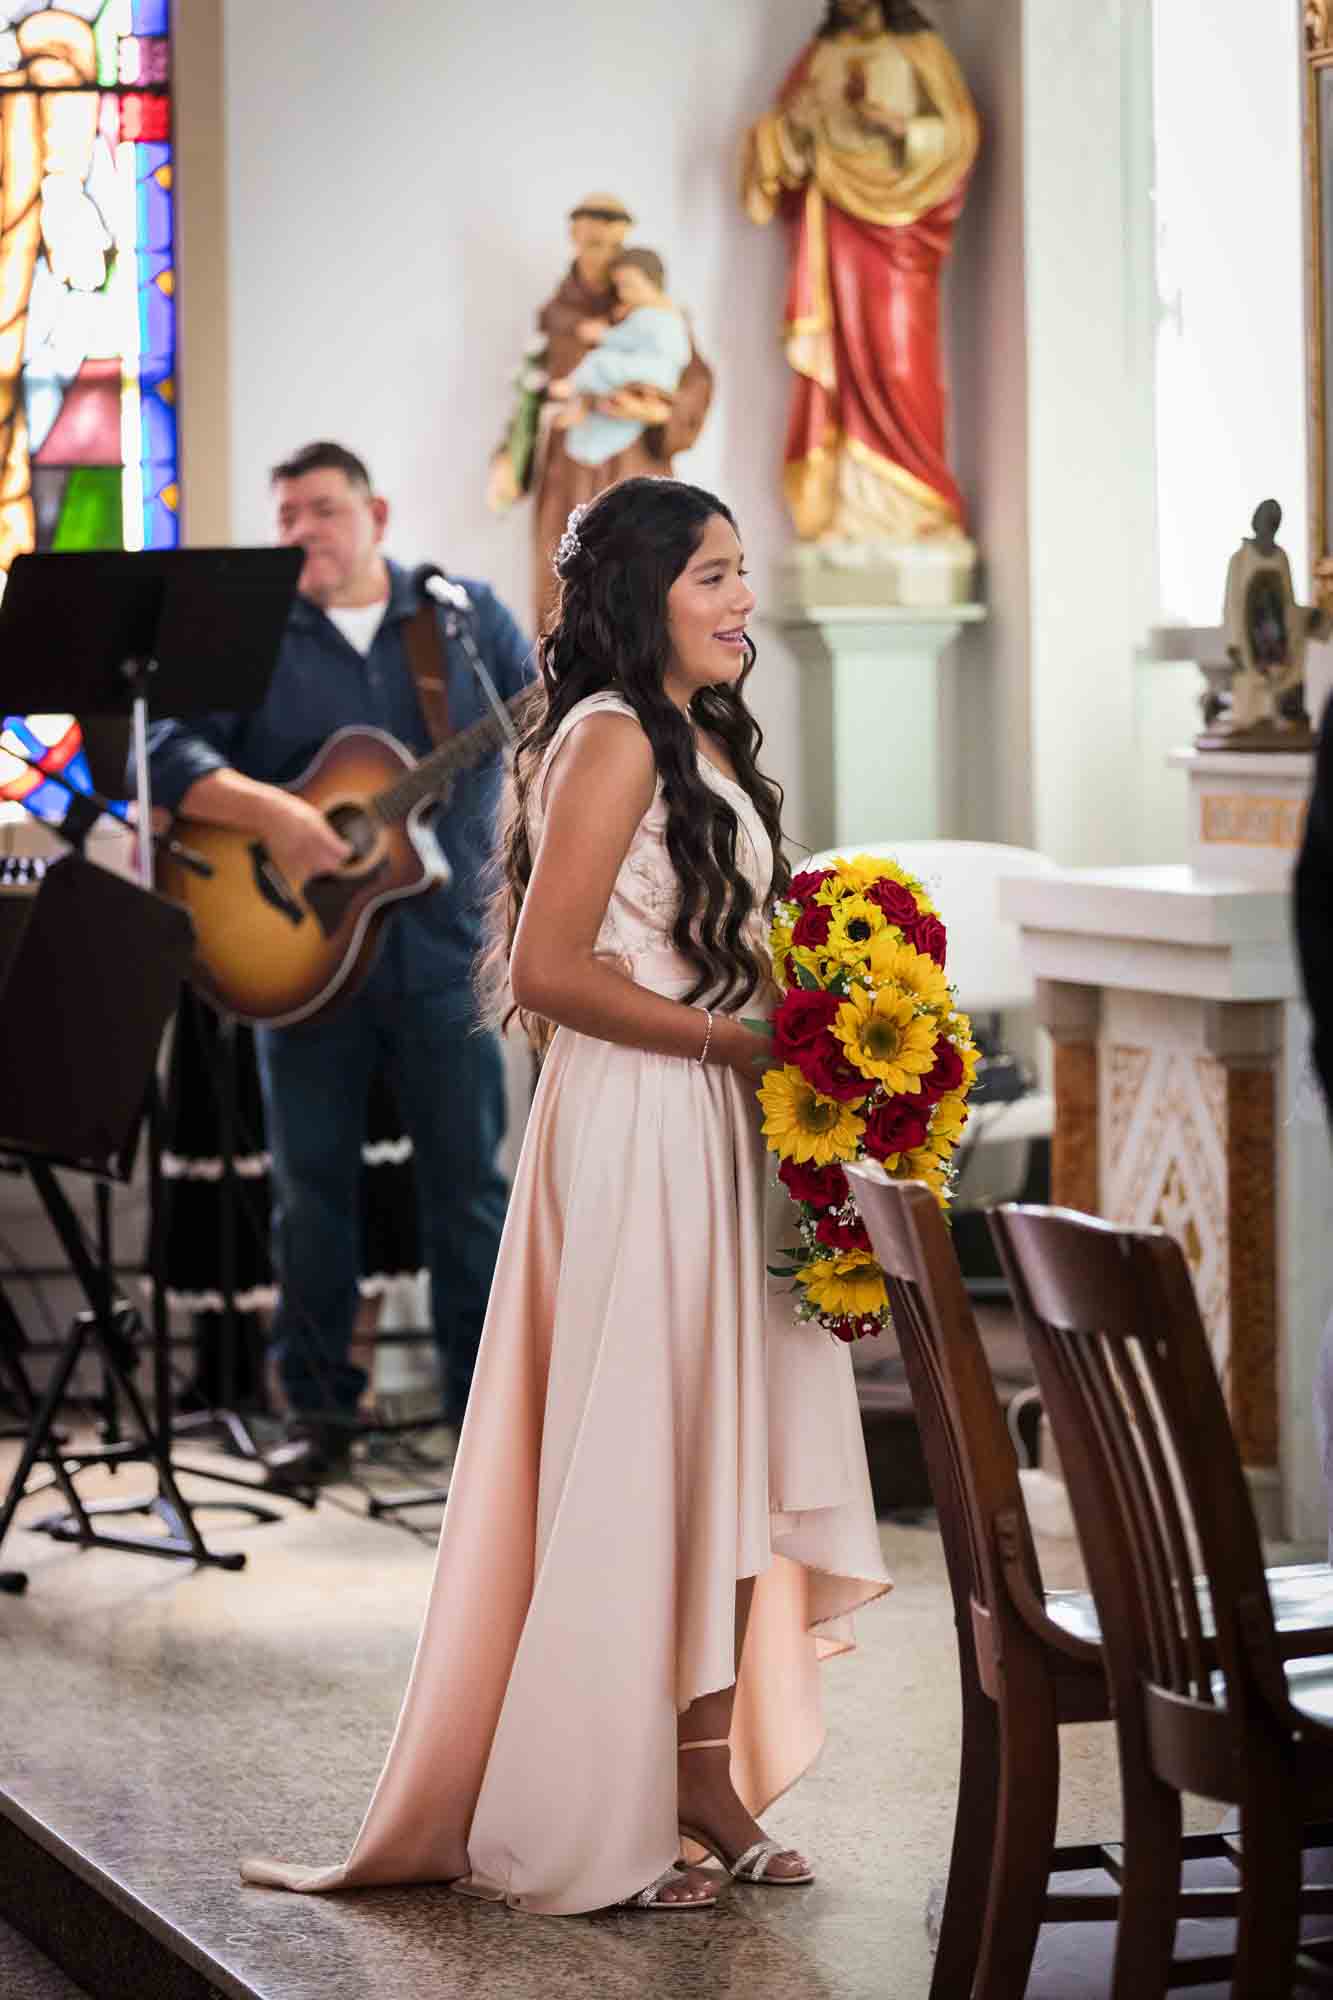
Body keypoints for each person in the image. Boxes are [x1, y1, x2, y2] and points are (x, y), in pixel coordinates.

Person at [239, 476, 890, 1915]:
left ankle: (704, 1771)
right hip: (645, 1127)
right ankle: (597, 1796)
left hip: (724, 1125)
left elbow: (723, 943)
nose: (742, 601)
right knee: (638, 1453)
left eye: (740, 573)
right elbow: (549, 975)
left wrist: (833, 1022)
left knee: (721, 1443)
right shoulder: (603, 737)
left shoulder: (698, 732)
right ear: (641, 594)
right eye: (714, 576)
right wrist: (742, 1042)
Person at [144, 441, 532, 1488]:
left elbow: (555, 726)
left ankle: (484, 1428)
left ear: (378, 512)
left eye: (322, 509)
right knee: (311, 1194)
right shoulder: (252, 630)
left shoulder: (461, 618)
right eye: (286, 516)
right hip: (295, 956)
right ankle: (315, 1411)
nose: (302, 531)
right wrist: (275, 812)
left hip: (445, 950)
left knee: (470, 1194)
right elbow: (161, 750)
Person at [742, 0, 979, 544]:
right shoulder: (819, 56)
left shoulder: (919, 50)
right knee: (842, 364)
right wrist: (791, 128)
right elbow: (778, 145)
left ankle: (917, 508)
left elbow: (960, 134)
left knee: (899, 362)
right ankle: (845, 513)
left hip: (900, 236)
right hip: (835, 228)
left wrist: (899, 128)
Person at [488, 193, 714, 630]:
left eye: (614, 246)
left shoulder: (655, 314)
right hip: (571, 464)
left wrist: (659, 409)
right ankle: (567, 685)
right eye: (594, 244)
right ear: (575, 239)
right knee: (568, 575)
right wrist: (510, 457)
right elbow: (534, 394)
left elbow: (694, 380)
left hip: (634, 460)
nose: (604, 258)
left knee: (641, 571)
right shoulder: (558, 314)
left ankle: (644, 685)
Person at [547, 249, 692, 468]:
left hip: (651, 371)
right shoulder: (652, 312)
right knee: (608, 404)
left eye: (629, 285)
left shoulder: (653, 315)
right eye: (620, 287)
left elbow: (628, 338)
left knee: (600, 362)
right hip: (649, 377)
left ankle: (572, 388)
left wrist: (602, 333)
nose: (623, 293)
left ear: (651, 281)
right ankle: (583, 425)